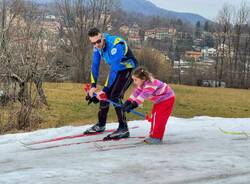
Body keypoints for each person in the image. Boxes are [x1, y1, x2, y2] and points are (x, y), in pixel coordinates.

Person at [84, 27, 137, 140]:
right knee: (105, 95)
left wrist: (105, 90)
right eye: (93, 43)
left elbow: (113, 70)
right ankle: (101, 124)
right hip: (118, 69)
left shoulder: (115, 45)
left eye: (98, 41)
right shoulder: (97, 48)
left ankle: (124, 128)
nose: (97, 45)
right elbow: (94, 65)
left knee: (114, 96)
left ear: (102, 37)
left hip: (128, 69)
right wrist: (93, 86)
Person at [122, 67, 175, 144]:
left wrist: (132, 106)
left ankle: (156, 138)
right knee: (154, 116)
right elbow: (136, 93)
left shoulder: (151, 84)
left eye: (135, 80)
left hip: (167, 99)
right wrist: (128, 102)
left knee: (159, 118)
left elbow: (142, 96)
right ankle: (153, 135)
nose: (134, 82)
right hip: (160, 100)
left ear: (143, 78)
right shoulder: (143, 83)